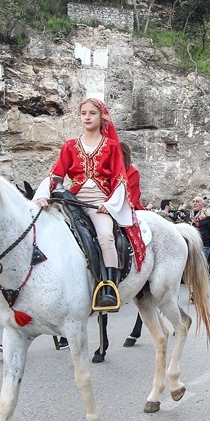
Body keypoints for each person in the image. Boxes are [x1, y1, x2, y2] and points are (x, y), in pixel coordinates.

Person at [35, 97, 133, 312]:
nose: (87, 117)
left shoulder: (112, 146)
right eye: (83, 113)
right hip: (73, 201)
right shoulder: (70, 146)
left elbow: (120, 179)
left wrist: (110, 205)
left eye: (92, 113)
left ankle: (108, 287)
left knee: (105, 236)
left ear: (102, 117)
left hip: (99, 203)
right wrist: (42, 194)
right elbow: (56, 175)